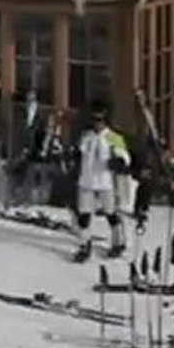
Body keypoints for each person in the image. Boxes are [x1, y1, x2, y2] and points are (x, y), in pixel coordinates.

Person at [73, 102, 129, 262]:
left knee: (110, 213)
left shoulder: (114, 137)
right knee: (84, 215)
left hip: (105, 182)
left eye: (100, 120)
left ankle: (118, 241)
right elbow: (80, 153)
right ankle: (84, 244)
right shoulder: (86, 136)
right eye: (94, 119)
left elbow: (125, 157)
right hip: (87, 181)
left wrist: (118, 161)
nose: (96, 123)